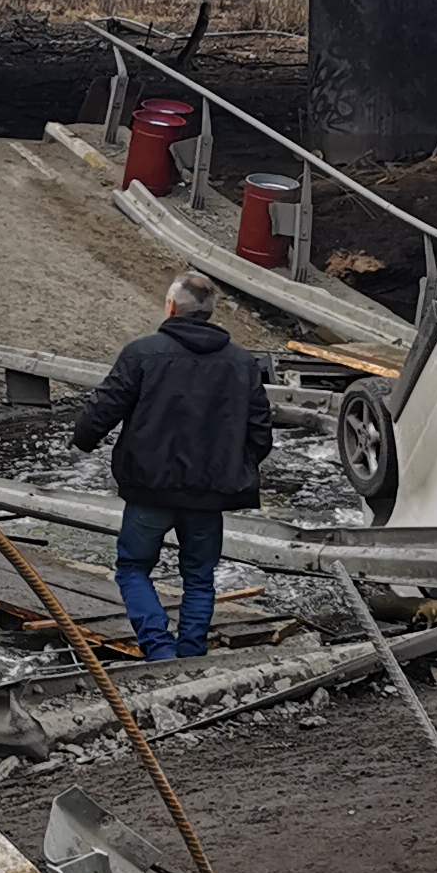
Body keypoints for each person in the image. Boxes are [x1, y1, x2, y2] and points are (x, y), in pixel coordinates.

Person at [74, 272, 273, 663]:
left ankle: (159, 650)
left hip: (150, 487)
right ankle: (192, 655)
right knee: (199, 577)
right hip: (210, 492)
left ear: (170, 308)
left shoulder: (142, 352)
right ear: (210, 313)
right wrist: (235, 466)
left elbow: (104, 407)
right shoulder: (241, 362)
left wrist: (84, 439)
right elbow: (260, 431)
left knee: (133, 568)